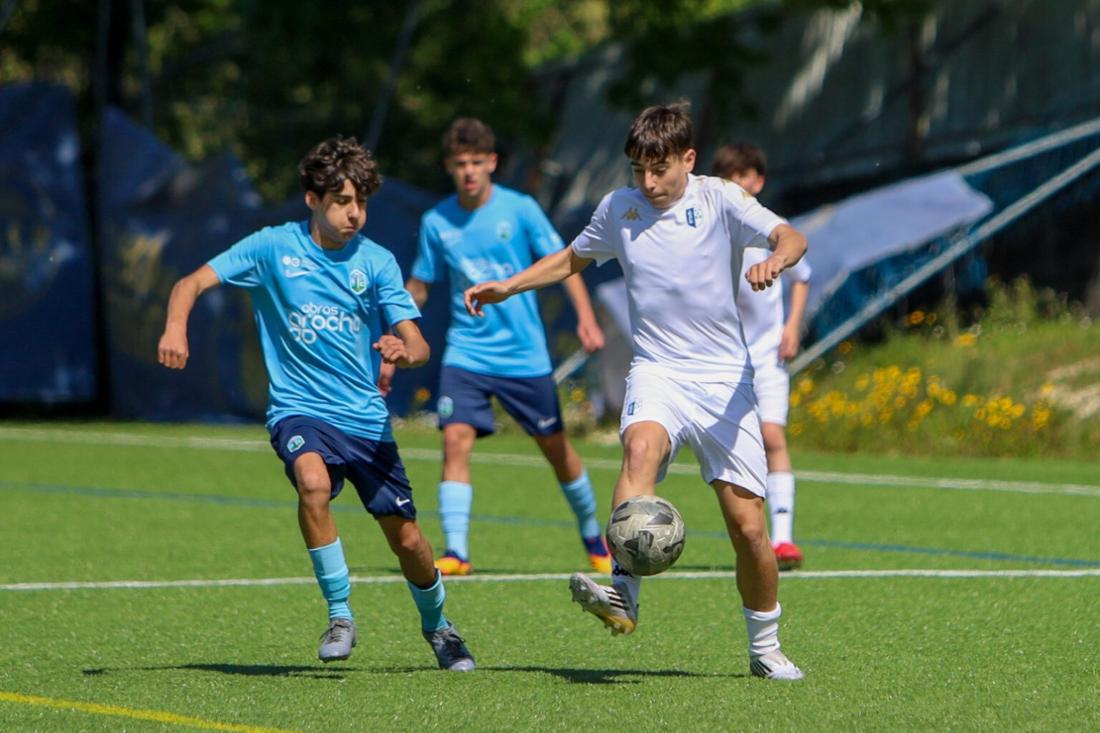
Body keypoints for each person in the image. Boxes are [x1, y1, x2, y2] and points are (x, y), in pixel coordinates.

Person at [464, 104, 808, 681]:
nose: (647, 183)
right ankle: (624, 593)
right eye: (637, 170)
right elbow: (572, 258)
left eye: (659, 170)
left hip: (725, 382)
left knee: (749, 530)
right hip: (658, 371)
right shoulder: (619, 208)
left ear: (687, 160)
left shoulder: (720, 197)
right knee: (639, 451)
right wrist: (510, 286)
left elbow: (790, 236)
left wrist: (774, 259)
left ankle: (765, 647)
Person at [157, 136, 475, 671]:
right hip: (298, 409)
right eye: (342, 202)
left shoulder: (375, 261)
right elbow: (190, 283)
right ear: (312, 200)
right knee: (312, 483)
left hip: (365, 421)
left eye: (362, 203)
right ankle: (341, 613)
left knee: (411, 543)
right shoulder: (271, 249)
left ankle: (439, 627)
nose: (355, 214)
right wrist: (174, 329)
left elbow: (417, 343)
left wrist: (406, 349)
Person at [400, 117, 610, 577]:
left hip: (523, 356)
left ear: (492, 162)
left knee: (555, 448)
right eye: (460, 164)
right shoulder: (436, 222)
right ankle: (457, 552)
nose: (469, 171)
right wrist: (394, 322)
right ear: (449, 168)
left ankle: (595, 537)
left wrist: (586, 318)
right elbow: (419, 286)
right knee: (455, 440)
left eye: (477, 162)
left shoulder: (520, 209)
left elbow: (566, 261)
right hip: (466, 353)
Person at [711, 142, 811, 571]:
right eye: (728, 177)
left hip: (766, 356)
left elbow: (802, 275)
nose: (737, 185)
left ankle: (783, 540)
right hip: (721, 359)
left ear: (758, 180)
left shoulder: (773, 229)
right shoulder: (712, 230)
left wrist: (791, 326)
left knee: (773, 437)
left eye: (743, 176)